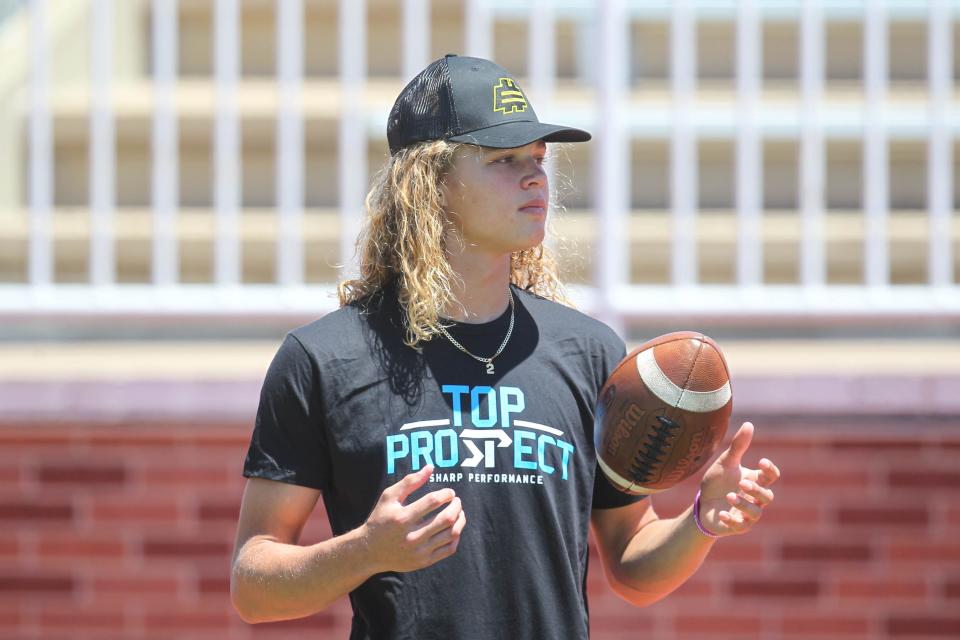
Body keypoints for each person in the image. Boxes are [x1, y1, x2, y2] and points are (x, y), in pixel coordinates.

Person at [231, 54, 780, 639]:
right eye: (503, 160)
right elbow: (252, 584)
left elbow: (631, 565)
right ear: (430, 185)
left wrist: (701, 522)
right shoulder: (326, 358)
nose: (534, 177)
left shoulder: (587, 351)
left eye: (538, 159)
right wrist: (366, 550)